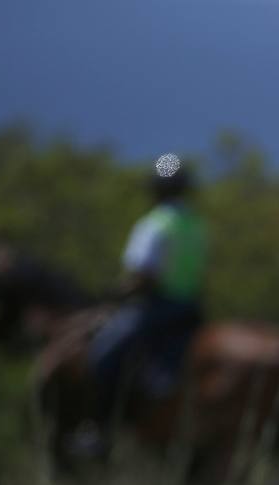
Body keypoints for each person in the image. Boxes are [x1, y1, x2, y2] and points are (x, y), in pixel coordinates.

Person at [80, 153, 209, 454]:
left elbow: (143, 276)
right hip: (191, 310)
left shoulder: (155, 224)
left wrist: (115, 292)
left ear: (156, 189)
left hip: (157, 308)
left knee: (102, 353)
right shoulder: (197, 225)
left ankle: (100, 431)